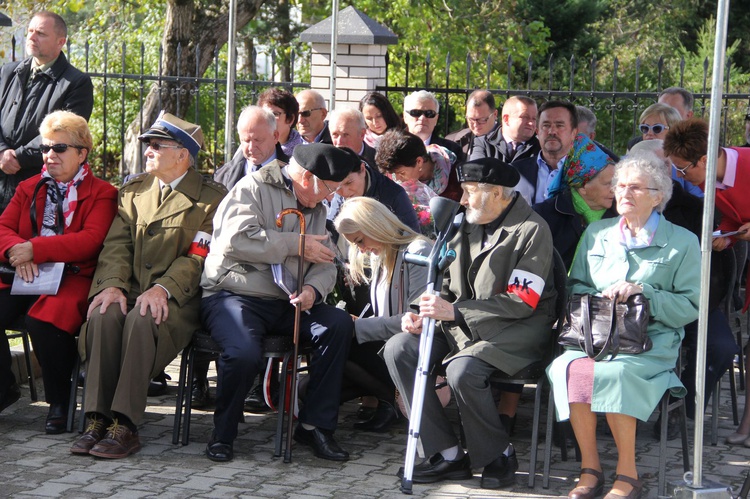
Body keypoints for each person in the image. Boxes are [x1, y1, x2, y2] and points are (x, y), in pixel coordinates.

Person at [384, 157, 558, 489]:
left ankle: (498, 454)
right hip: (462, 326)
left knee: (462, 370)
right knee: (399, 348)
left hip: (517, 328)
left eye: (469, 191)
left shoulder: (532, 230)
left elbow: (522, 301)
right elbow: (444, 284)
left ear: (498, 194)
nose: (462, 200)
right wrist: (420, 312)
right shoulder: (464, 225)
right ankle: (447, 454)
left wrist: (456, 312)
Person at [70, 112, 226, 458]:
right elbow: (116, 246)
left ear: (183, 154)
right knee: (104, 314)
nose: (148, 151)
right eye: (148, 145)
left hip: (178, 299)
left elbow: (198, 256)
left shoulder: (210, 199)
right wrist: (111, 286)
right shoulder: (133, 192)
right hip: (130, 288)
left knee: (143, 318)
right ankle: (97, 418)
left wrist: (164, 288)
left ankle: (124, 425)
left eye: (157, 145)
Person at [547, 153, 700, 499]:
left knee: (615, 375)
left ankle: (628, 474)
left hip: (651, 342)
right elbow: (575, 286)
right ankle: (591, 468)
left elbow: (691, 305)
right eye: (619, 185)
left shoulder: (683, 242)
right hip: (598, 337)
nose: (623, 192)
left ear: (658, 195)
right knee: (568, 369)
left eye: (634, 187)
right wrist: (601, 297)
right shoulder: (597, 233)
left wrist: (643, 295)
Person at [200, 143, 357, 463]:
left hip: (288, 300)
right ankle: (223, 432)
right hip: (236, 294)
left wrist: (314, 288)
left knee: (337, 325)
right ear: (308, 177)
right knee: (244, 351)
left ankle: (315, 426)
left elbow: (326, 262)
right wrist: (294, 245)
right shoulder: (253, 187)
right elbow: (235, 239)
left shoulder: (317, 208)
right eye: (330, 188)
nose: (331, 197)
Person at [0, 110, 116, 431]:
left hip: (72, 277)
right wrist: (17, 251)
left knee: (43, 320)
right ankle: (4, 388)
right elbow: (4, 226)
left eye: (59, 149)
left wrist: (35, 249)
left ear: (82, 153)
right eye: (45, 148)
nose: (50, 156)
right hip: (24, 274)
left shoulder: (103, 192)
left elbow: (90, 241)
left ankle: (60, 402)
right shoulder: (28, 187)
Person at [334, 197, 431, 432]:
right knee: (315, 377)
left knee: (340, 337)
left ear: (374, 225)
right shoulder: (381, 252)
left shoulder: (417, 250)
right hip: (389, 345)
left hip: (411, 347)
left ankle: (392, 400)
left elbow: (417, 320)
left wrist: (357, 327)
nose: (360, 249)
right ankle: (390, 400)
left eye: (360, 240)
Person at [0, 11, 94, 213]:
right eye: (30, 31)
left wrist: (18, 157)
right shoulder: (8, 72)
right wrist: (2, 152)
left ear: (61, 41)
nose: (32, 37)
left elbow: (65, 133)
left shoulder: (77, 83)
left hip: (39, 183)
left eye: (41, 33)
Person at [533, 133, 617, 269]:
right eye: (607, 184)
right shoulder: (545, 215)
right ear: (583, 186)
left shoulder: (620, 217)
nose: (615, 189)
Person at [512, 100, 578, 205]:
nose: (552, 131)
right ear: (537, 132)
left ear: (574, 133)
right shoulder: (516, 171)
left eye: (559, 125)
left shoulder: (587, 173)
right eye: (546, 125)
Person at [214, 105, 287, 190]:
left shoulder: (294, 174)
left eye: (258, 140)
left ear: (275, 136)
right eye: (246, 140)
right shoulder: (221, 176)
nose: (251, 148)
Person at [469, 95, 540, 164]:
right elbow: (476, 172)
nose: (531, 123)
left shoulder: (541, 147)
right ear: (506, 119)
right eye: (525, 117)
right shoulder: (483, 143)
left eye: (534, 119)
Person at [402, 90, 464, 162]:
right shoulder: (393, 147)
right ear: (405, 117)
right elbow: (388, 172)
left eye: (429, 113)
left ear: (436, 119)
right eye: (415, 112)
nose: (422, 118)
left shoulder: (452, 150)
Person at [445, 90, 499, 157]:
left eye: (482, 119)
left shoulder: (508, 142)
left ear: (495, 114)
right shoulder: (453, 140)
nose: (476, 124)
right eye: (471, 119)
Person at [257, 87, 302, 157]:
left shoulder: (302, 152)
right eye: (264, 114)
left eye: (274, 114)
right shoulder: (251, 145)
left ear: (290, 119)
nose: (267, 119)